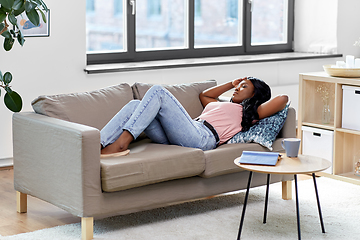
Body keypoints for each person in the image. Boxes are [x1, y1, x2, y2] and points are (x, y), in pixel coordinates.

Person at [100, 77, 288, 157]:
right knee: (135, 105)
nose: (238, 89)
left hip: (202, 138)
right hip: (186, 130)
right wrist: (231, 83)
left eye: (244, 87)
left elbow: (283, 99)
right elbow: (205, 95)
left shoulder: (249, 114)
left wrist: (255, 97)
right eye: (238, 86)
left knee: (158, 91)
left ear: (255, 95)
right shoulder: (225, 104)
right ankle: (98, 144)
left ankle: (121, 143)